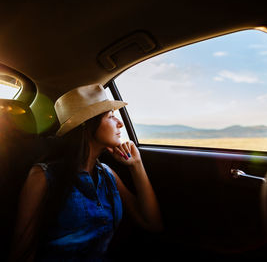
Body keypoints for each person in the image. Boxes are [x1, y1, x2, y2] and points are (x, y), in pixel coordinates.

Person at [10, 83, 163, 261]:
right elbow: (22, 253)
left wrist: (136, 165)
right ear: (86, 124)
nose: (120, 123)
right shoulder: (43, 177)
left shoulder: (107, 174)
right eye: (111, 116)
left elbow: (152, 224)